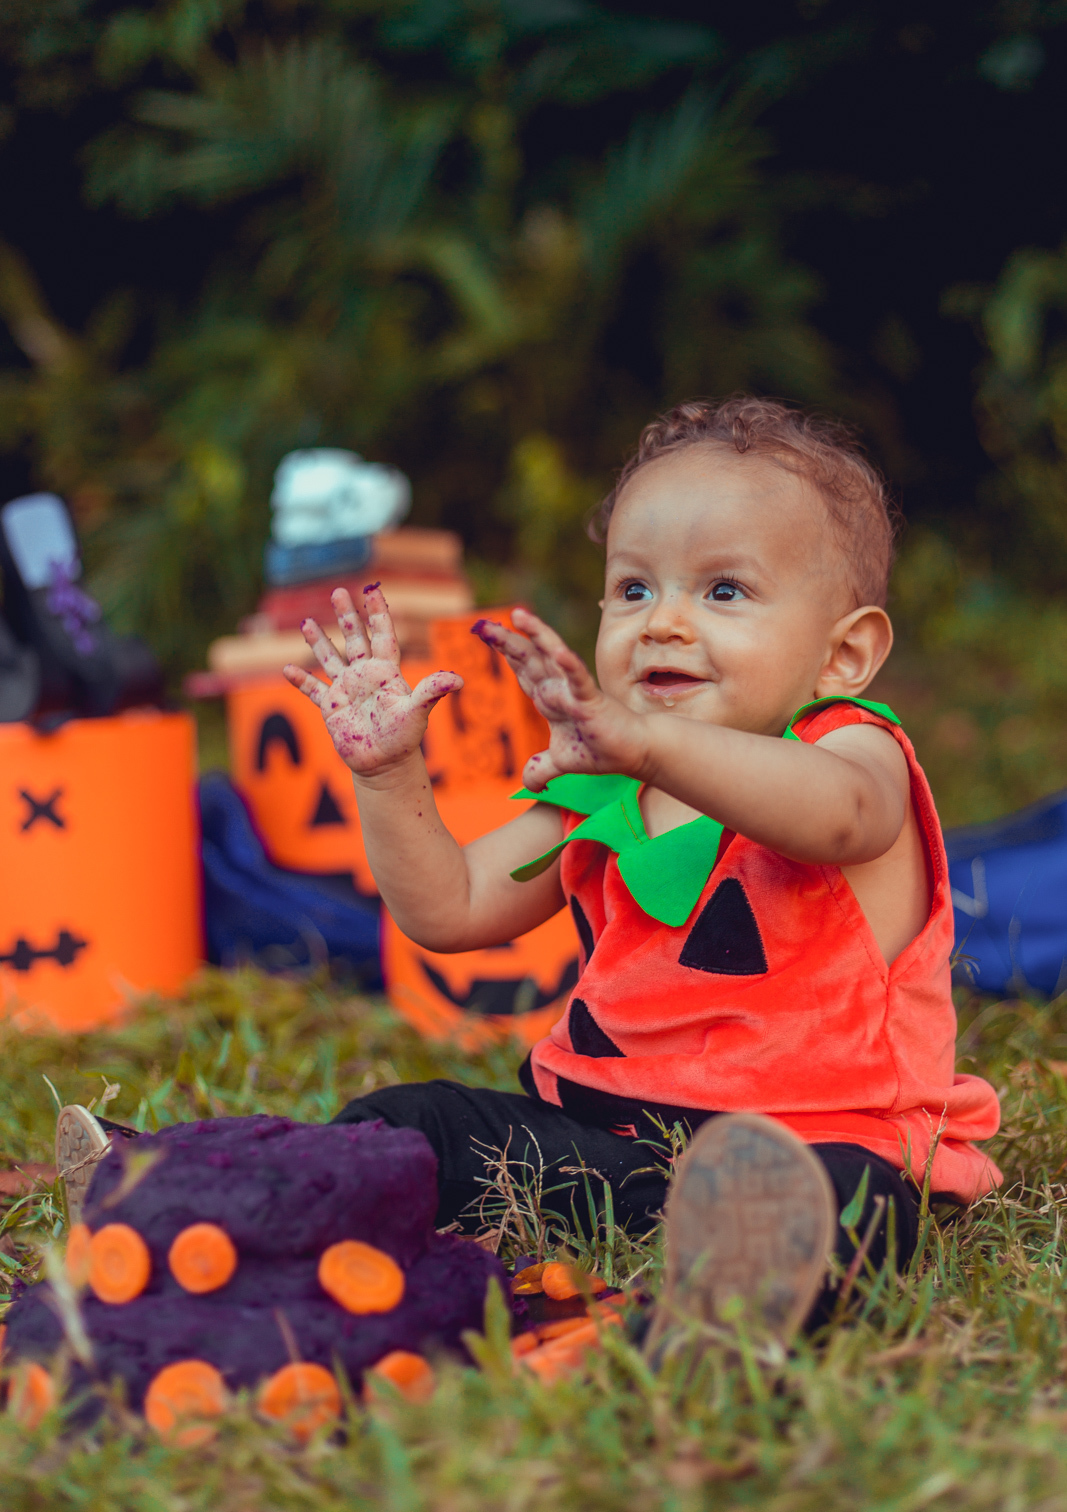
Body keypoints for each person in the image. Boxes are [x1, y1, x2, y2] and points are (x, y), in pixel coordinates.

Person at [59, 397, 1002, 1344]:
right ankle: (196, 1199)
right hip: (615, 1152)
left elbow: (839, 821)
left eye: (722, 592)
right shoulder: (603, 781)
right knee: (410, 1121)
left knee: (857, 1207)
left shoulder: (854, 754)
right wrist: (389, 775)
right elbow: (451, 910)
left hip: (823, 1143)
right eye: (634, 590)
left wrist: (646, 746)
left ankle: (715, 1310)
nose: (663, 623)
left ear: (845, 653)